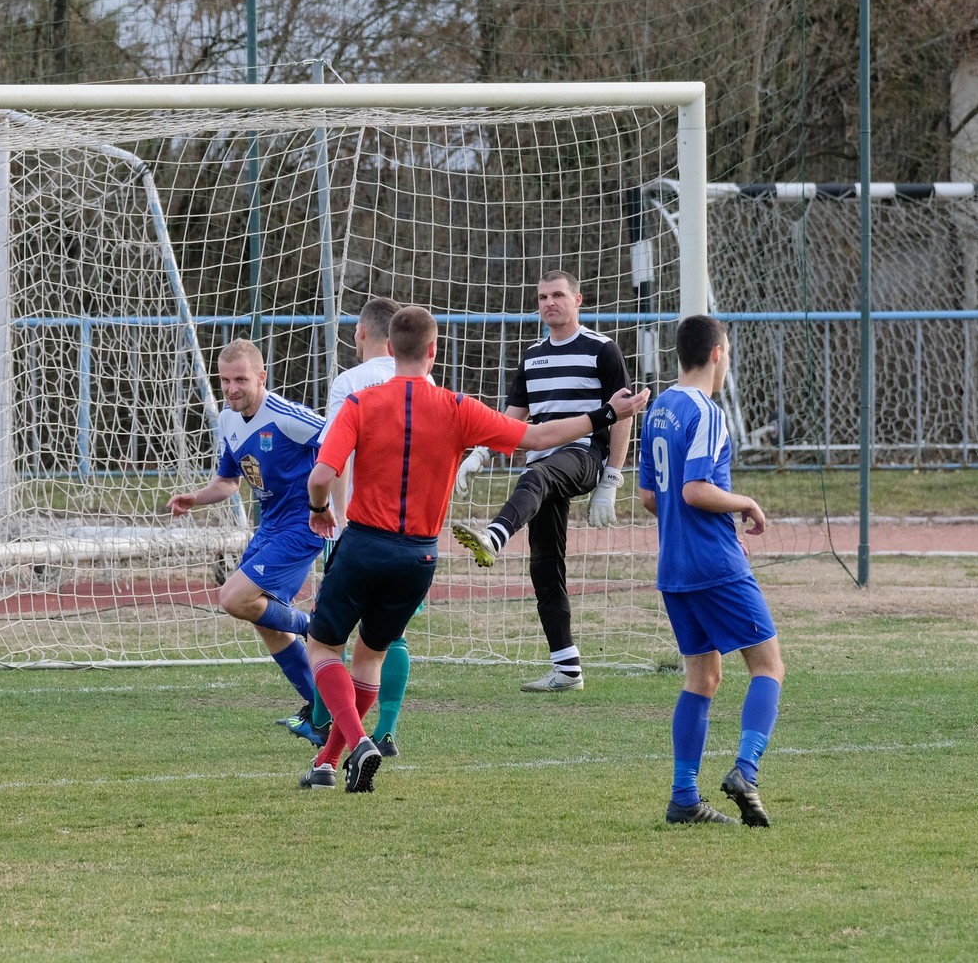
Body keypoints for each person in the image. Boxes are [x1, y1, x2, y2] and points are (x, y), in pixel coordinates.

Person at [299, 306, 650, 792]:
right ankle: (327, 763)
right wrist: (606, 414)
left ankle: (357, 740)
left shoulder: (360, 403)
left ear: (389, 349)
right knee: (370, 657)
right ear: (434, 351)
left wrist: (320, 508)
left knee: (323, 647)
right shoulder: (458, 407)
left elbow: (321, 476)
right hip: (419, 556)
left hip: (363, 544)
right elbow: (538, 436)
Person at [450, 270, 634, 693]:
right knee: (544, 566)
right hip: (543, 465)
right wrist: (480, 453)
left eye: (557, 295)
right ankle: (567, 668)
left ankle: (494, 536)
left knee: (535, 474)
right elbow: (512, 419)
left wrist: (611, 479)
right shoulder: (532, 356)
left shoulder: (602, 349)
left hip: (583, 455)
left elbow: (623, 415)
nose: (549, 303)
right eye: (542, 297)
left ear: (577, 300)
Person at [637, 314, 784, 827]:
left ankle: (684, 798)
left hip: (674, 566)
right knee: (768, 667)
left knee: (703, 676)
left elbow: (650, 496)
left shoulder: (659, 409)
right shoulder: (707, 411)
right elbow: (695, 490)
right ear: (718, 352)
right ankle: (746, 769)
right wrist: (746, 502)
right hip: (715, 563)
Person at [168, 338, 325, 741]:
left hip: (302, 525)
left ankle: (315, 626)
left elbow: (341, 444)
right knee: (263, 619)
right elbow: (228, 481)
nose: (232, 388)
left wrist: (328, 505)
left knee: (233, 598)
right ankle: (322, 715)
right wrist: (196, 498)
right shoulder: (228, 420)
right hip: (270, 527)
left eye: (240, 379)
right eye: (225, 380)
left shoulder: (287, 416)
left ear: (261, 377)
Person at [284, 296, 416, 757]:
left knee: (329, 636)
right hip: (411, 531)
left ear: (360, 333)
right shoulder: (422, 381)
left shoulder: (351, 381)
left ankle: (326, 725)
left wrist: (334, 518)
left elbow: (334, 458)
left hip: (359, 528)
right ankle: (387, 731)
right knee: (388, 635)